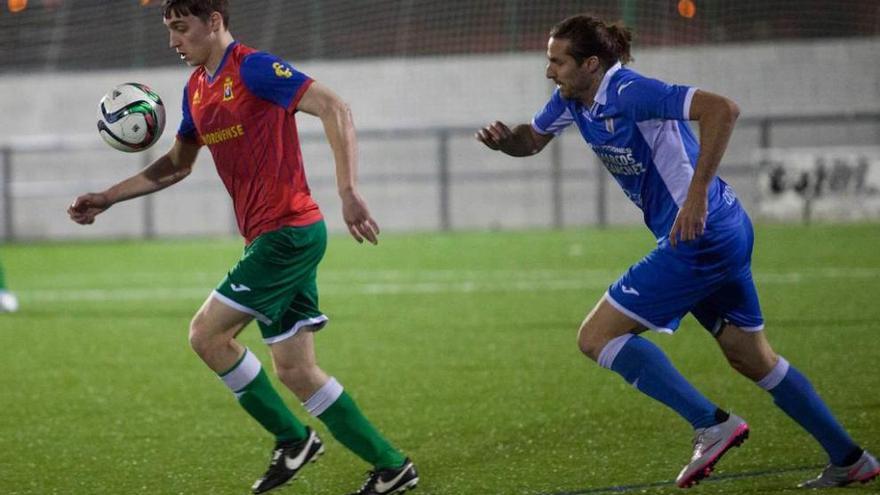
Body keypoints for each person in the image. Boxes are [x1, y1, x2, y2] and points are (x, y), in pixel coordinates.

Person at [476, 14, 878, 489]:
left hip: (700, 236)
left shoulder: (630, 92)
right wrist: (507, 144)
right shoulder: (573, 99)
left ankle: (711, 424)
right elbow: (533, 140)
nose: (549, 71)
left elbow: (722, 109)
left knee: (596, 337)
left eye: (557, 62)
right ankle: (851, 459)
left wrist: (696, 195)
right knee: (751, 357)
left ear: (590, 63)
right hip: (722, 232)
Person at [68, 1, 418, 494]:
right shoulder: (196, 89)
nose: (173, 41)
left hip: (288, 232)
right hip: (273, 236)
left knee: (206, 336)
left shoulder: (253, 68)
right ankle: (391, 467)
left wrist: (347, 189)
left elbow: (334, 107)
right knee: (296, 370)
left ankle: (293, 439)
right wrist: (107, 197)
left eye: (181, 28)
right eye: (169, 29)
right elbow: (177, 164)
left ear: (214, 22)